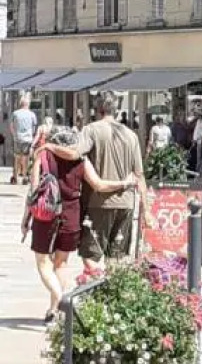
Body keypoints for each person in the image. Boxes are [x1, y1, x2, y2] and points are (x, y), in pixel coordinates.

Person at [24, 125, 135, 321]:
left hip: (46, 214)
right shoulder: (82, 160)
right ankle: (55, 309)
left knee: (43, 262)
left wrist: (25, 219)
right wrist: (125, 183)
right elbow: (99, 185)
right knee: (61, 263)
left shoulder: (43, 156)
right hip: (71, 214)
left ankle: (59, 298)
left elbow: (33, 192)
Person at [47, 90, 149, 268]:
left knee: (90, 255)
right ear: (115, 109)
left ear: (98, 109)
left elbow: (74, 153)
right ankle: (112, 291)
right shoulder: (131, 135)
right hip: (126, 202)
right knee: (116, 258)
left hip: (98, 203)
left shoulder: (91, 130)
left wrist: (50, 147)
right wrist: (145, 210)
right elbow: (139, 176)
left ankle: (98, 288)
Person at [11, 94, 38, 184]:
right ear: (28, 104)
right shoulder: (32, 114)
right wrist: (32, 135)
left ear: (20, 104)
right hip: (27, 138)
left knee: (17, 157)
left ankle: (15, 176)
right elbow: (34, 127)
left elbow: (11, 126)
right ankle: (25, 177)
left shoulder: (15, 113)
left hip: (18, 138)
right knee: (25, 158)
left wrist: (14, 135)